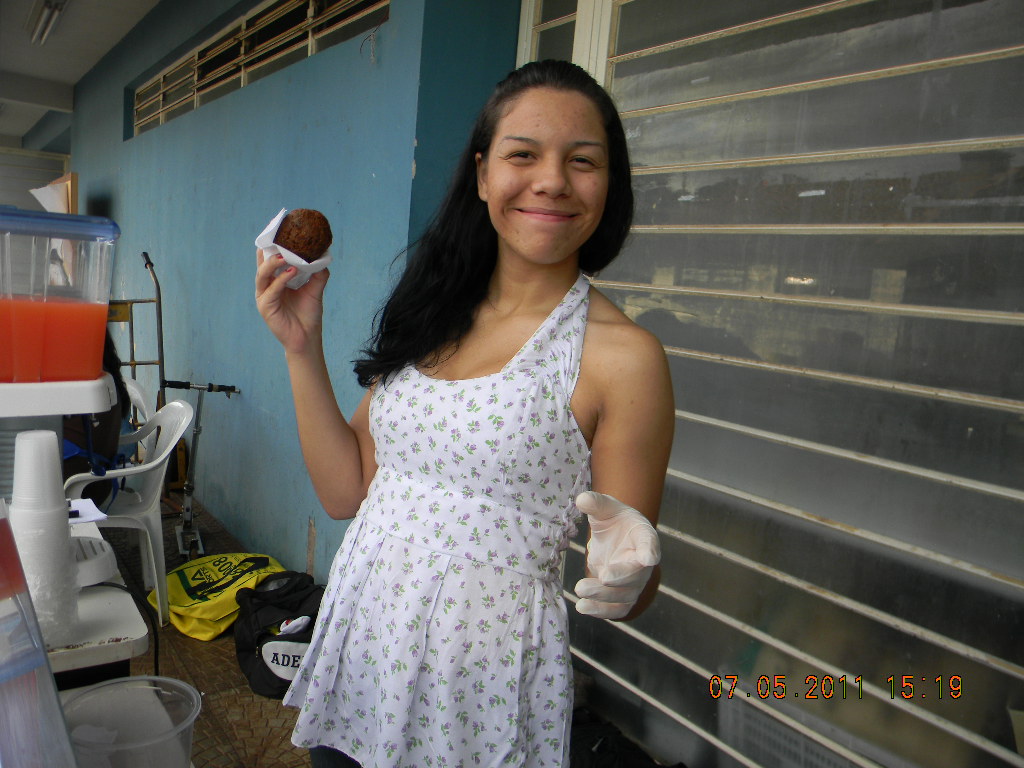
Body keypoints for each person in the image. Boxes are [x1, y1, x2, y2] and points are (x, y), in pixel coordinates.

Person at [255, 59, 674, 768]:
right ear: (482, 175)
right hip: (360, 649)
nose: (552, 180)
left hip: (477, 692)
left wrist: (629, 574)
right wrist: (301, 346)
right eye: (523, 154)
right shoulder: (434, 308)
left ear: (610, 185)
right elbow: (345, 491)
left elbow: (631, 581)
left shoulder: (624, 358)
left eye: (582, 161)